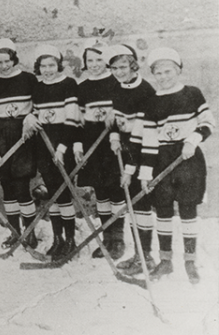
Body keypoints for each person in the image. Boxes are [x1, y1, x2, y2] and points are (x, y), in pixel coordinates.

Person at [139, 47, 215, 284]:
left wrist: (193, 140)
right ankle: (165, 261)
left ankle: (190, 262)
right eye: (158, 73)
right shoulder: (151, 102)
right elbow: (149, 139)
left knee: (187, 209)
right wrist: (145, 172)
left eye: (168, 71)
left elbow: (208, 123)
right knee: (162, 210)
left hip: (188, 158)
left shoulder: (192, 93)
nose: (163, 76)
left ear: (178, 70)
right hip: (162, 159)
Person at [0, 38, 40, 250]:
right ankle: (15, 232)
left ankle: (30, 233)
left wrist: (32, 117)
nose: (4, 66)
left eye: (7, 61)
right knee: (7, 188)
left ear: (14, 59)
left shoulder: (29, 80)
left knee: (22, 187)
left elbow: (40, 105)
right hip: (0, 140)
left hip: (23, 139)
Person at [105, 44, 156, 270]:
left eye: (123, 66)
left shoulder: (145, 90)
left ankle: (145, 256)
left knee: (140, 202)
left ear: (133, 65)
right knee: (131, 202)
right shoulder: (117, 88)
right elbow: (116, 116)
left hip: (142, 149)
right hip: (124, 147)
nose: (119, 72)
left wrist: (131, 164)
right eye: (114, 68)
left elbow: (147, 129)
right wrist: (114, 136)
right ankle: (138, 255)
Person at [75, 40, 127, 261]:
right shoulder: (82, 87)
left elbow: (129, 110)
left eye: (98, 59)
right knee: (101, 191)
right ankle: (107, 236)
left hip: (114, 144)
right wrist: (77, 143)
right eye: (90, 60)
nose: (94, 64)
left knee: (116, 190)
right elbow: (77, 119)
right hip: (92, 144)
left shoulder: (116, 83)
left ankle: (118, 238)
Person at [30, 45, 80, 261]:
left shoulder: (68, 84)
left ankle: (70, 240)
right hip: (44, 145)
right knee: (53, 193)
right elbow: (35, 113)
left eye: (51, 65)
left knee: (64, 193)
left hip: (62, 146)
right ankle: (57, 239)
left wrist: (61, 149)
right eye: (43, 65)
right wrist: (29, 118)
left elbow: (71, 121)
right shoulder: (38, 87)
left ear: (58, 65)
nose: (47, 69)